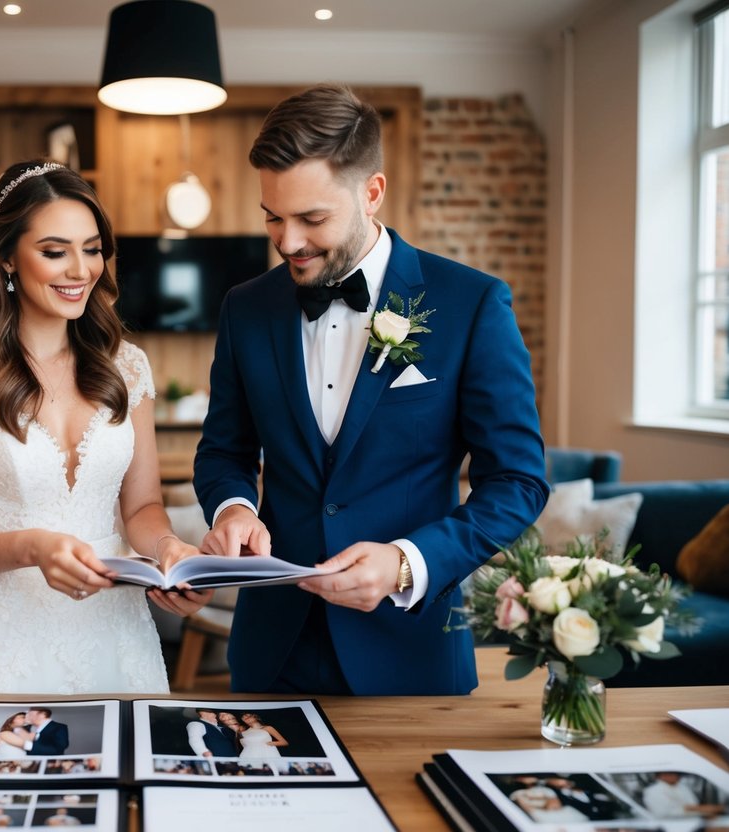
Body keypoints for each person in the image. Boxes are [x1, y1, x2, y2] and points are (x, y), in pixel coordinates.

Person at [194, 83, 548, 695]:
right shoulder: (244, 308)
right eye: (273, 216)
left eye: (312, 218)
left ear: (372, 192)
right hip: (272, 651)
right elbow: (224, 449)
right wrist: (233, 509)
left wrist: (409, 561)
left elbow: (517, 482)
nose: (288, 242)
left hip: (409, 652)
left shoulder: (472, 304)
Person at [0, 160, 211, 694]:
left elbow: (140, 507)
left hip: (117, 635)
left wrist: (168, 549)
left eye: (92, 248)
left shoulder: (128, 366)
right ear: (7, 258)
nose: (81, 270)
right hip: (5, 646)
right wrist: (30, 547)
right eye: (55, 251)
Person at [641, 771, 726, 819]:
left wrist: (706, 811)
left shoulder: (683, 787)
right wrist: (692, 809)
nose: (675, 776)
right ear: (661, 776)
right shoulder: (653, 791)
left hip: (695, 821)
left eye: (676, 774)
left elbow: (694, 804)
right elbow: (662, 813)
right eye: (670, 773)